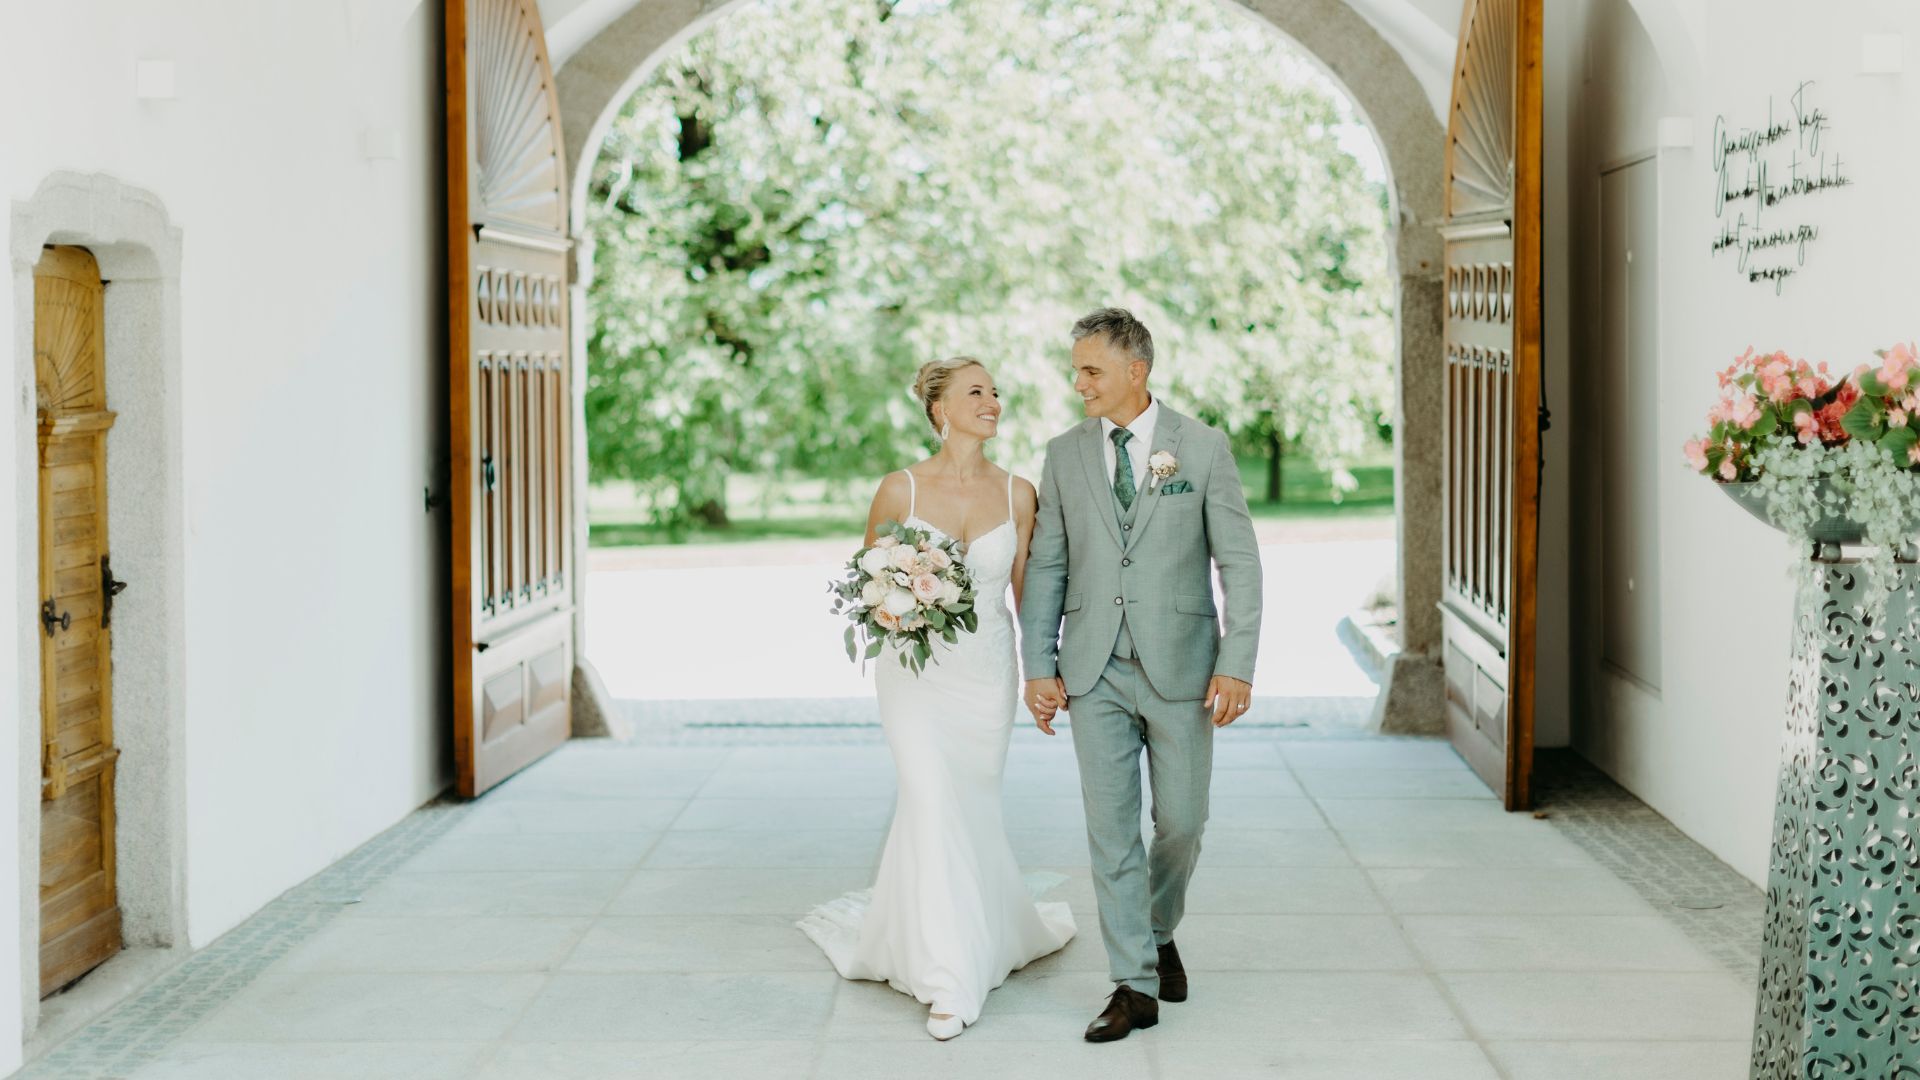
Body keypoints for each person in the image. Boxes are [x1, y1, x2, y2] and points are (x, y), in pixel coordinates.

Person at [799, 356, 1075, 1041]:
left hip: (985, 674)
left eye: (995, 392)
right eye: (976, 392)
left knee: (970, 806)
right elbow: (868, 586)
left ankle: (967, 933)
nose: (993, 401)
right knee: (928, 800)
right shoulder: (900, 489)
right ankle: (950, 979)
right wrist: (904, 599)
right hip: (914, 678)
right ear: (939, 409)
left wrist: (1040, 674)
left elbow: (1026, 595)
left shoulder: (1018, 493)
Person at [1018, 308, 1263, 1042]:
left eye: (1091, 370)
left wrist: (1237, 663)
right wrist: (1039, 666)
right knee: (1112, 832)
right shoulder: (1064, 453)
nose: (1079, 383)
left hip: (1183, 667)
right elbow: (1049, 564)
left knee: (1182, 823)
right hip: (1092, 668)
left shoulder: (1203, 447)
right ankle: (1133, 983)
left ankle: (1156, 931)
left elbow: (1239, 562)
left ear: (1136, 369)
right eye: (1076, 370)